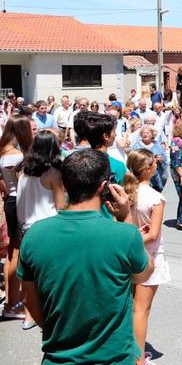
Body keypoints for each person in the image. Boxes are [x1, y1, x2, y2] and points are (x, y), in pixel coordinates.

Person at [17, 149, 154, 365]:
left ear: (64, 184)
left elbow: (29, 300)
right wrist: (127, 217)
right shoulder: (124, 235)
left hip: (58, 358)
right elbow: (143, 274)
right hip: (115, 358)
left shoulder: (34, 235)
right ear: (104, 186)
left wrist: (58, 331)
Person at [16, 130, 66, 329]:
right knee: (50, 274)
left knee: (29, 275)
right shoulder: (54, 173)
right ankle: (50, 313)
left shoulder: (23, 171)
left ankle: (29, 315)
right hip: (48, 228)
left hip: (26, 228)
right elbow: (61, 206)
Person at [124, 149, 169, 365]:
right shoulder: (155, 198)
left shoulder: (125, 192)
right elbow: (153, 234)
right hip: (148, 256)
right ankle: (138, 358)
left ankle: (131, 350)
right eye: (153, 164)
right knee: (141, 309)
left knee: (131, 306)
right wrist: (136, 238)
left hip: (126, 256)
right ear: (148, 169)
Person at [0, 116, 33, 319]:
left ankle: (12, 300)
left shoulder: (3, 153)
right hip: (18, 202)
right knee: (17, 251)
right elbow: (23, 184)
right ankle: (13, 302)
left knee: (12, 252)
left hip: (9, 201)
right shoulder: (18, 156)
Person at [131, 126, 168, 193]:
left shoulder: (157, 145)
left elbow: (165, 158)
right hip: (142, 176)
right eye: (143, 133)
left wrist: (161, 159)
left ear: (152, 134)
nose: (145, 134)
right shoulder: (136, 146)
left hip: (158, 176)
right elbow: (133, 159)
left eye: (147, 133)